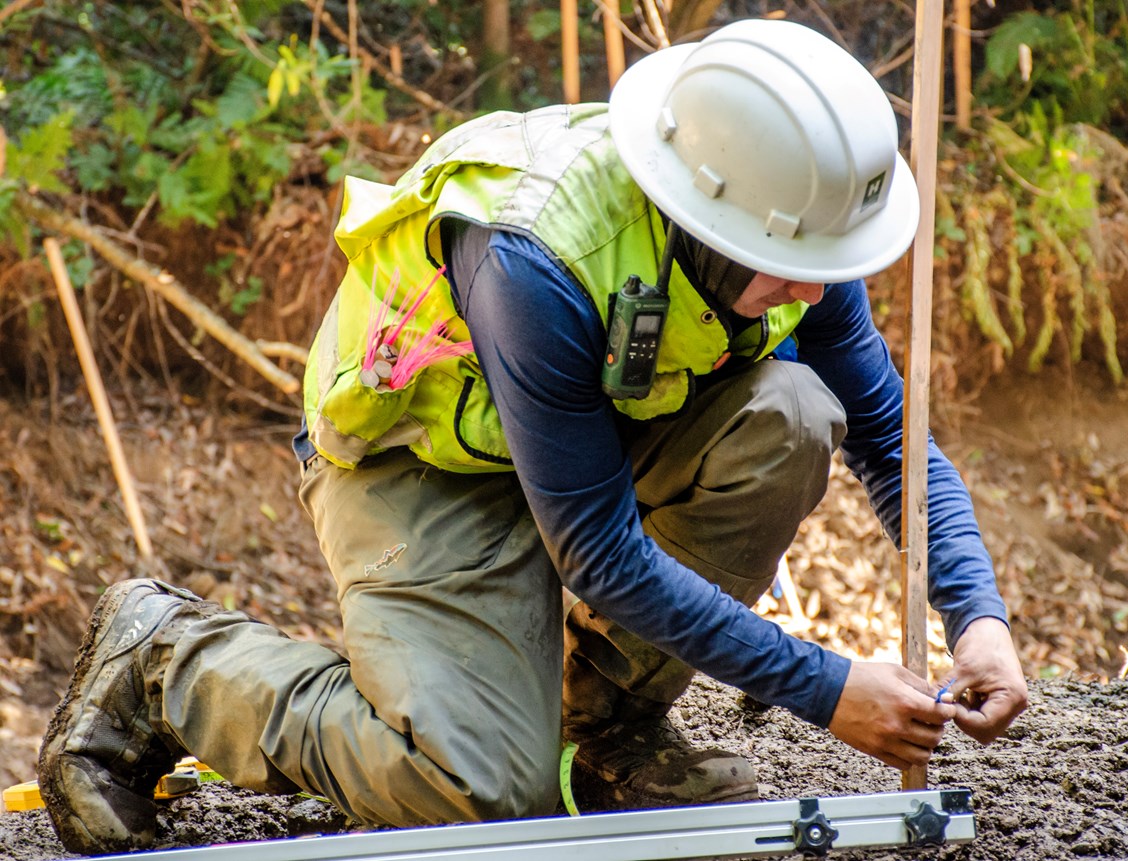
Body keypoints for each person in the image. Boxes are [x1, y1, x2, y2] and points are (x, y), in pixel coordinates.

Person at [38, 18, 1028, 856]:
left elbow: (891, 438)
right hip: (418, 458)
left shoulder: (793, 229)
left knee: (796, 413)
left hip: (589, 433)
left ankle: (605, 732)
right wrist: (825, 686)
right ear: (701, 212)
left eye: (822, 261)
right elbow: (594, 550)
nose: (814, 291)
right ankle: (170, 658)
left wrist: (977, 617)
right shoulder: (534, 252)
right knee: (476, 793)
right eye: (784, 265)